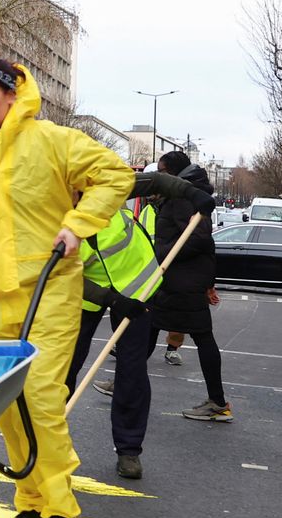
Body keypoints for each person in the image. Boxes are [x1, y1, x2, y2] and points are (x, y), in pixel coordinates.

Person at [0, 57, 132, 518]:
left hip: (49, 288)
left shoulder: (52, 140)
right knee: (6, 405)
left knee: (41, 398)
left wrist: (79, 223)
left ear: (11, 93)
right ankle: (30, 504)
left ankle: (63, 512)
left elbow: (114, 175)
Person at [66, 170, 214, 479]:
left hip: (139, 288)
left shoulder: (107, 190)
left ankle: (129, 450)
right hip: (84, 297)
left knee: (132, 372)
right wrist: (113, 301)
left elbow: (157, 181)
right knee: (63, 370)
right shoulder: (46, 218)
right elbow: (65, 276)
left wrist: (191, 193)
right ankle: (47, 440)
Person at [150, 150, 231, 422]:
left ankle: (218, 403)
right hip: (179, 280)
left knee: (199, 336)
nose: (158, 176)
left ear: (172, 173)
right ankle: (127, 380)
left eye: (161, 171)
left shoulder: (184, 198)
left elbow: (199, 239)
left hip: (182, 281)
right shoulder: (181, 196)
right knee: (147, 324)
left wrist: (164, 254)